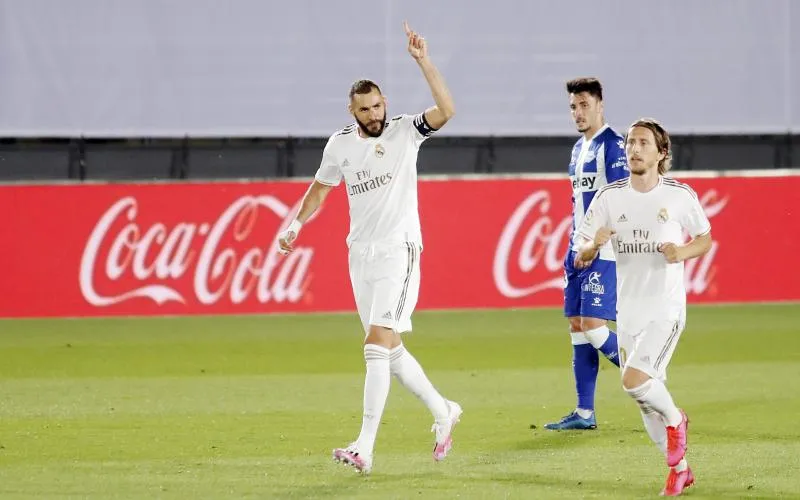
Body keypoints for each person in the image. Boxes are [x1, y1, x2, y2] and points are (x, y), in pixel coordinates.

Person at [276, 21, 460, 476]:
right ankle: (443, 410)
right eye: (365, 109)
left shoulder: (404, 132)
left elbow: (447, 109)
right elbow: (320, 190)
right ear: (353, 111)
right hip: (360, 254)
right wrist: (295, 224)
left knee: (375, 344)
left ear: (385, 104)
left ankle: (365, 446)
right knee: (389, 350)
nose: (374, 114)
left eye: (378, 105)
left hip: (400, 249)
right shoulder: (339, 145)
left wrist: (423, 61)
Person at [576, 118, 712, 496]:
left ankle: (676, 418)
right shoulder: (610, 197)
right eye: (630, 142)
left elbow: (705, 238)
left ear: (661, 153)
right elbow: (580, 255)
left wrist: (681, 251)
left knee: (633, 381)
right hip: (629, 311)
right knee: (643, 400)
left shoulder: (679, 195)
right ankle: (680, 471)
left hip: (665, 310)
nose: (633, 149)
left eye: (643, 143)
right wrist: (592, 245)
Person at [545, 78, 629, 431]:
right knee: (578, 327)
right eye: (572, 107)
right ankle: (584, 413)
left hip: (601, 249)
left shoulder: (613, 145)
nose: (577, 113)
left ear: (600, 105)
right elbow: (578, 203)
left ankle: (644, 373)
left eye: (583, 105)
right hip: (576, 247)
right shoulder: (580, 149)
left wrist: (595, 243)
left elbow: (621, 199)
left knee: (595, 328)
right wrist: (576, 244)